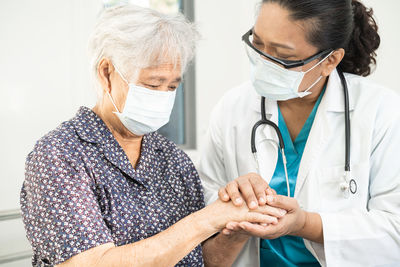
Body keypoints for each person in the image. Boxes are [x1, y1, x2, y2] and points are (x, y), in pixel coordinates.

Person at [20, 5, 283, 267]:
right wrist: (208, 219)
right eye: (152, 84)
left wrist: (237, 225)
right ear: (106, 73)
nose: (163, 96)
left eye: (172, 86)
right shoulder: (60, 155)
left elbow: (200, 261)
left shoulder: (173, 160)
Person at [199, 0, 400, 266]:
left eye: (284, 56)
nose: (263, 62)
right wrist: (233, 202)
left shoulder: (380, 112)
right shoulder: (232, 108)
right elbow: (202, 208)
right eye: (257, 44)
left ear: (330, 60)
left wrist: (304, 223)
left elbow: (394, 232)